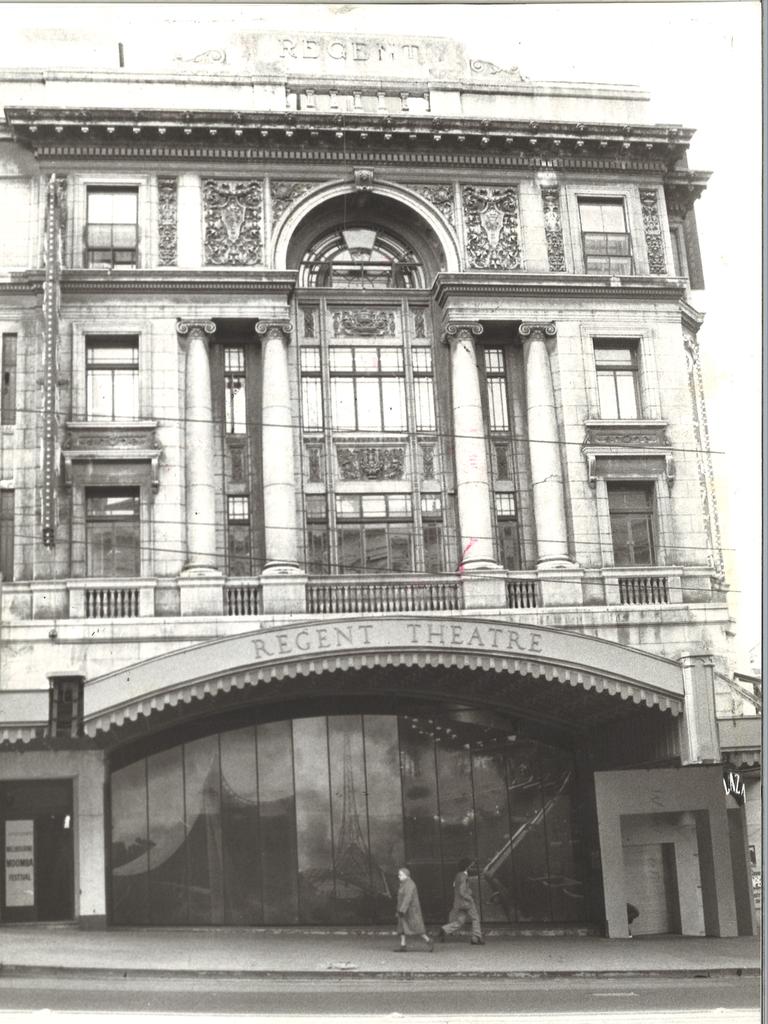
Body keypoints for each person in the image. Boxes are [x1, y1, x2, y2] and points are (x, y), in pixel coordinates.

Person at [435, 857, 485, 945]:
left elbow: (456, 887)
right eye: (470, 866)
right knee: (475, 918)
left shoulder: (458, 875)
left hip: (459, 903)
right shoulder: (464, 876)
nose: (471, 867)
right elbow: (462, 891)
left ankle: (445, 929)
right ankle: (476, 937)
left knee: (460, 921)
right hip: (467, 902)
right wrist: (470, 897)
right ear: (467, 867)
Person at [394, 867, 434, 952]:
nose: (398, 876)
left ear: (406, 875)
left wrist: (402, 910)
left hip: (410, 910)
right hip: (404, 909)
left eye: (400, 875)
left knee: (416, 927)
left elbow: (407, 898)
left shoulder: (409, 884)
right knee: (402, 926)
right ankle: (403, 945)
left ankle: (428, 940)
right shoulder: (405, 883)